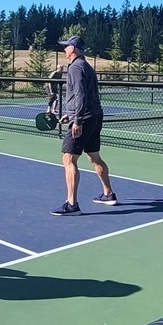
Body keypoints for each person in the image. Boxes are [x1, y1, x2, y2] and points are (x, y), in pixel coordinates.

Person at [52, 35, 118, 216]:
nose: (64, 49)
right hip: (95, 116)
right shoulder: (86, 66)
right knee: (94, 157)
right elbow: (82, 95)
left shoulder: (75, 67)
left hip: (85, 119)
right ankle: (108, 194)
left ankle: (71, 204)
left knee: (68, 159)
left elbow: (80, 95)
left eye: (66, 47)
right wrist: (70, 113)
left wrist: (78, 120)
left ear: (73, 49)